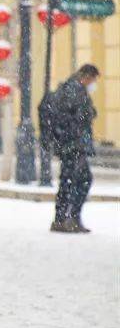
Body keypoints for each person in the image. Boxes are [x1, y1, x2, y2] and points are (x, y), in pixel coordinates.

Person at [49, 64, 99, 233]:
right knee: (75, 180)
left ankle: (66, 218)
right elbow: (74, 117)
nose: (93, 83)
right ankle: (67, 218)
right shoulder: (73, 90)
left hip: (73, 145)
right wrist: (88, 114)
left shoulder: (74, 89)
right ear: (86, 76)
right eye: (93, 79)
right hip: (73, 146)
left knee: (73, 180)